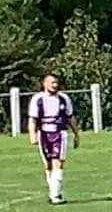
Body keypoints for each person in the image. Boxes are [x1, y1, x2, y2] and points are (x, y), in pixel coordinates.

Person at [27, 73, 80, 205]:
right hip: (43, 134)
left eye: (56, 83)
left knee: (58, 162)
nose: (55, 85)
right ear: (44, 84)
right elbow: (32, 119)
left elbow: (70, 116)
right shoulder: (37, 99)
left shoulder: (64, 98)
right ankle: (53, 191)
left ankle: (55, 194)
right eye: (52, 83)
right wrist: (32, 135)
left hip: (60, 133)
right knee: (48, 164)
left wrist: (76, 133)